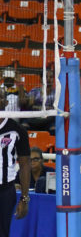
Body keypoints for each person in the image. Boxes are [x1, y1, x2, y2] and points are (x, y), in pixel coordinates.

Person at [0, 96, 30, 236]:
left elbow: (24, 165)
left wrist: (24, 198)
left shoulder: (17, 130)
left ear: (6, 102)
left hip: (5, 191)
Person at [21, 70, 56, 135]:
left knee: (55, 128)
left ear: (53, 79)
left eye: (51, 77)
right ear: (41, 79)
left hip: (49, 120)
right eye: (46, 77)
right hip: (33, 120)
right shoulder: (34, 91)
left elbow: (57, 109)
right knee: (23, 127)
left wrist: (36, 106)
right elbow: (28, 106)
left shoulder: (56, 93)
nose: (48, 79)